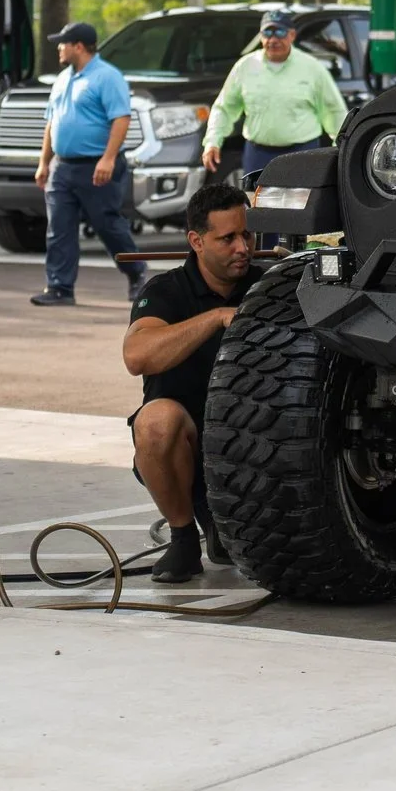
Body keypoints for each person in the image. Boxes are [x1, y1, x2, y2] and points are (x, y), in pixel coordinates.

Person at [125, 181, 258, 584]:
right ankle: (183, 538)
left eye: (247, 235)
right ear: (196, 241)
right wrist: (216, 318)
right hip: (192, 450)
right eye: (228, 238)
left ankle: (226, 525)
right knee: (155, 422)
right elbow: (137, 356)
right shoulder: (165, 292)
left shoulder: (267, 286)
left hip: (258, 452)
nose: (243, 248)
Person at [31, 21, 145, 307]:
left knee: (107, 224)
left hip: (96, 165)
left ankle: (136, 273)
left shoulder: (107, 77)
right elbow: (51, 122)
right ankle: (60, 287)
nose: (59, 47)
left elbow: (121, 118)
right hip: (62, 166)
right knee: (59, 227)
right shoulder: (62, 78)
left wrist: (107, 158)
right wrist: (44, 162)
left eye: (63, 43)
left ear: (78, 46)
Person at [201, 10, 348, 182]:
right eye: (267, 33)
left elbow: (334, 111)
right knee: (256, 206)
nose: (273, 40)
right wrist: (212, 141)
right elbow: (224, 108)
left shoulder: (312, 68)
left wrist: (341, 149)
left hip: (302, 154)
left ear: (292, 35)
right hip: (257, 154)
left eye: (279, 32)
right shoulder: (245, 67)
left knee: (299, 207)